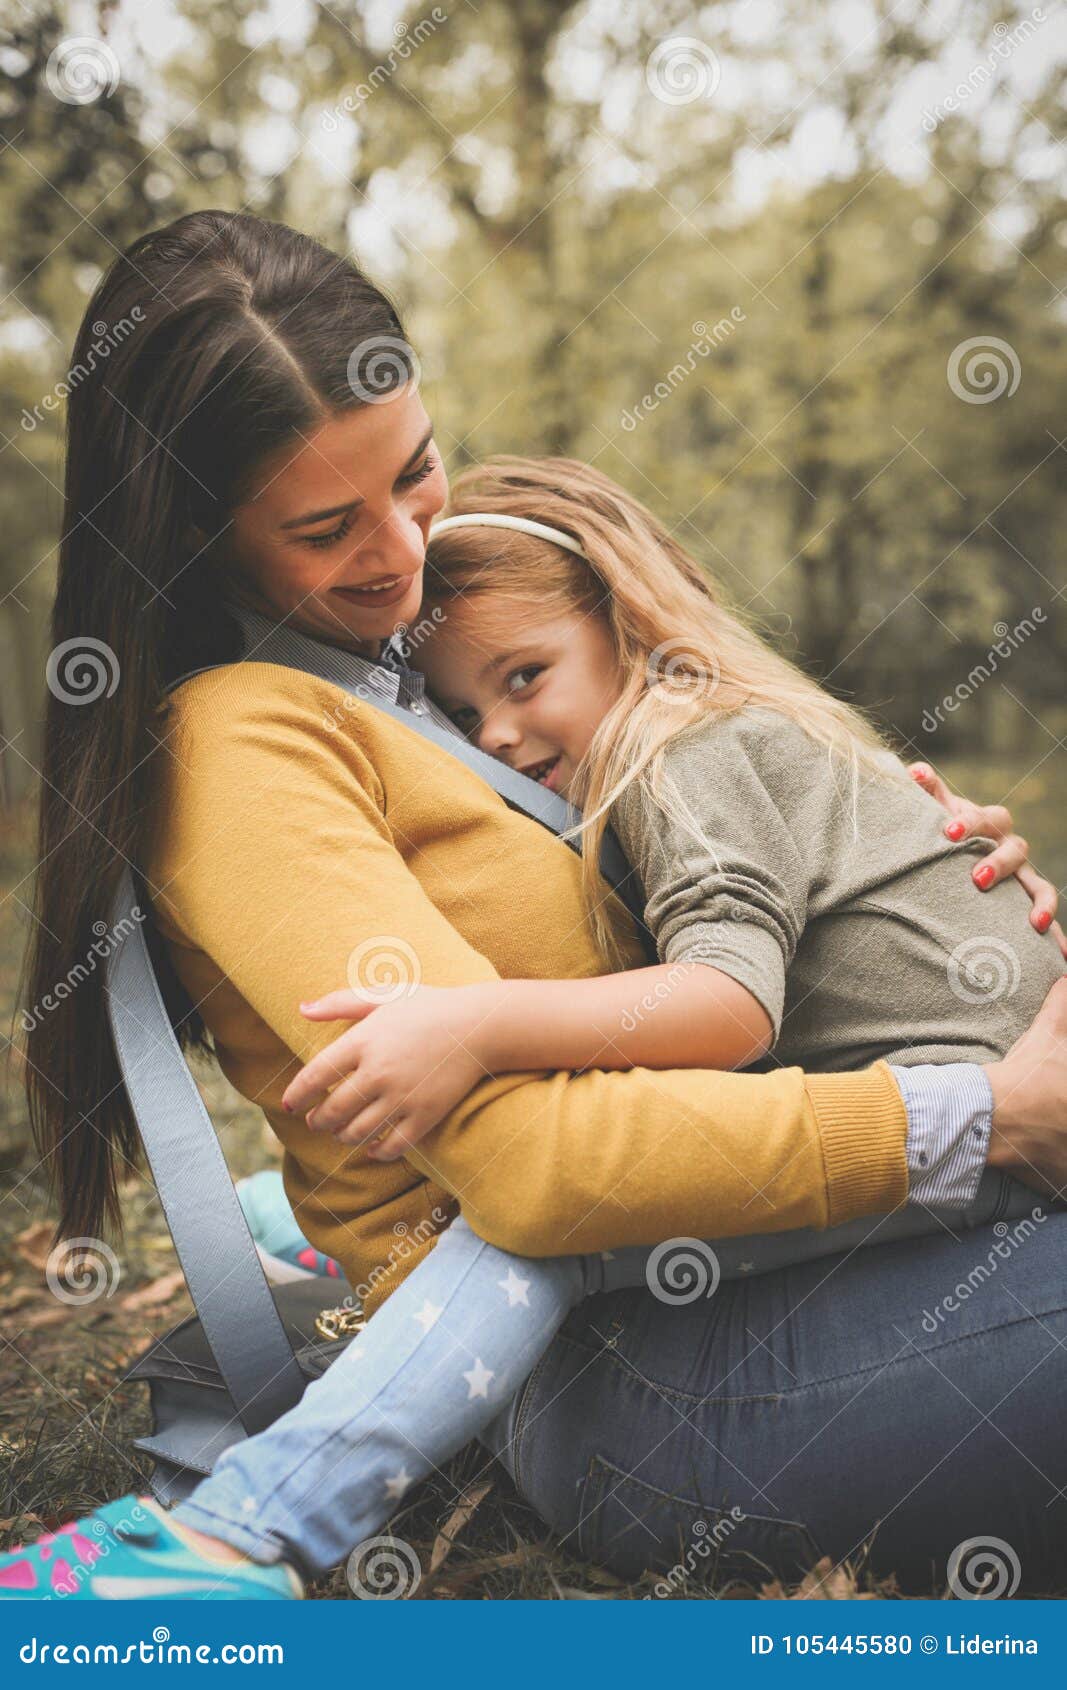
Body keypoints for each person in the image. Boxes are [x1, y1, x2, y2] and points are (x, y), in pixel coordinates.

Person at [6, 210, 1067, 1602]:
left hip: (745, 1266)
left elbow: (700, 927)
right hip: (642, 1366)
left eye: (417, 470)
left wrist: (883, 866)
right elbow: (534, 1174)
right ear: (196, 535)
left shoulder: (427, 665)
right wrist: (993, 1108)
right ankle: (227, 1544)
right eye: (330, 528)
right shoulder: (241, 735)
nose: (403, 552)